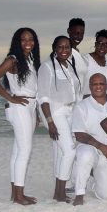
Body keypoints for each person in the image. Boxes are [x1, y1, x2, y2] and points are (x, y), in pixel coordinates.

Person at [0, 27, 41, 205]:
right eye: (23, 39)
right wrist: (10, 97)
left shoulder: (31, 59)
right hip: (20, 108)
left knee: (18, 150)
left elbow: (34, 88)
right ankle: (18, 195)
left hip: (30, 107)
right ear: (17, 42)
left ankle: (16, 193)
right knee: (24, 151)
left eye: (31, 39)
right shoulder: (13, 60)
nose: (27, 42)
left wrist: (38, 112)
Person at [37, 35, 81, 202]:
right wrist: (49, 121)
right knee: (70, 151)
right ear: (54, 48)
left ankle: (57, 192)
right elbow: (43, 97)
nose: (64, 50)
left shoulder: (70, 66)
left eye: (67, 47)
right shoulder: (47, 67)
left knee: (60, 152)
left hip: (70, 111)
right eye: (61, 47)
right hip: (55, 113)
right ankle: (61, 193)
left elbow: (75, 93)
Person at [71, 74, 107, 205]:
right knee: (85, 154)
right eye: (95, 84)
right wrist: (101, 147)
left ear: (106, 86)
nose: (98, 87)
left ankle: (91, 182)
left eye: (101, 84)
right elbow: (79, 135)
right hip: (92, 148)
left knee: (106, 195)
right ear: (90, 87)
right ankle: (79, 194)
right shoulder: (81, 106)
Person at [84, 29, 107, 95]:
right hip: (89, 102)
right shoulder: (85, 60)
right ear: (95, 44)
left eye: (106, 44)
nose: (103, 47)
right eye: (100, 43)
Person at [67, 17, 89, 96]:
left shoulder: (78, 54)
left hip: (78, 100)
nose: (79, 36)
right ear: (68, 31)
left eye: (81, 33)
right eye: (76, 33)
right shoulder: (63, 53)